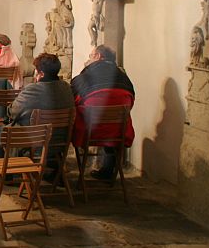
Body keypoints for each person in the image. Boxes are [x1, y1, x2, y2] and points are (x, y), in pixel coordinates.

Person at [70, 45, 135, 181]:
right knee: (112, 126)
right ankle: (108, 171)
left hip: (89, 132)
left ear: (98, 56)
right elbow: (131, 102)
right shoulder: (124, 79)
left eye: (91, 56)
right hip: (118, 132)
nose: (89, 59)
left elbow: (71, 101)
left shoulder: (84, 78)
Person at [7, 53, 75, 176]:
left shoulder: (32, 90)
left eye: (36, 71)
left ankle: (9, 174)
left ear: (41, 74)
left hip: (36, 142)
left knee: (2, 132)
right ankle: (55, 171)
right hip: (61, 141)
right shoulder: (66, 87)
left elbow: (13, 112)